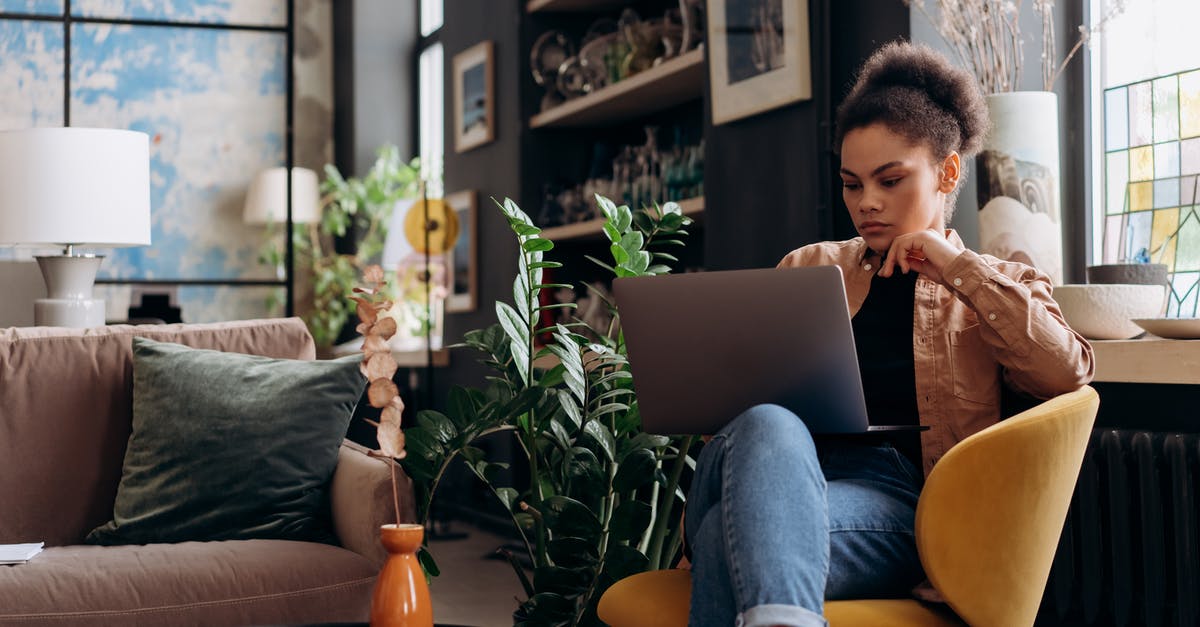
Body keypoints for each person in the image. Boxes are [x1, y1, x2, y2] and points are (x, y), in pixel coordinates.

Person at [683, 41, 1094, 627]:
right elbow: (734, 406)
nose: (866, 203)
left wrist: (956, 269)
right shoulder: (808, 267)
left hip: (896, 503)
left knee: (732, 545)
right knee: (769, 424)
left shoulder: (998, 284)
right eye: (852, 184)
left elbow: (1066, 374)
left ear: (948, 171)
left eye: (890, 179)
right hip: (758, 465)